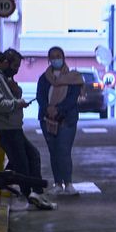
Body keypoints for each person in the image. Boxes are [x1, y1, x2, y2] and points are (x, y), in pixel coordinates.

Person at [0, 50, 54, 210]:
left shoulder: (0, 76)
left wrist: (15, 91)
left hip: (11, 126)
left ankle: (36, 192)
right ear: (4, 62)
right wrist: (17, 104)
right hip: (3, 127)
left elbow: (8, 96)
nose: (16, 70)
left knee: (31, 156)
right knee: (22, 164)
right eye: (15, 66)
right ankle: (29, 195)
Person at [36, 46, 84, 196]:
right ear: (48, 60)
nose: (56, 59)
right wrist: (48, 109)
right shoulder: (44, 78)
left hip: (66, 120)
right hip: (47, 119)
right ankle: (57, 183)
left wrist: (58, 109)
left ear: (63, 57)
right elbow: (40, 96)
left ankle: (68, 183)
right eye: (53, 56)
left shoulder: (73, 77)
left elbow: (72, 98)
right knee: (53, 151)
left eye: (58, 56)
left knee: (63, 150)